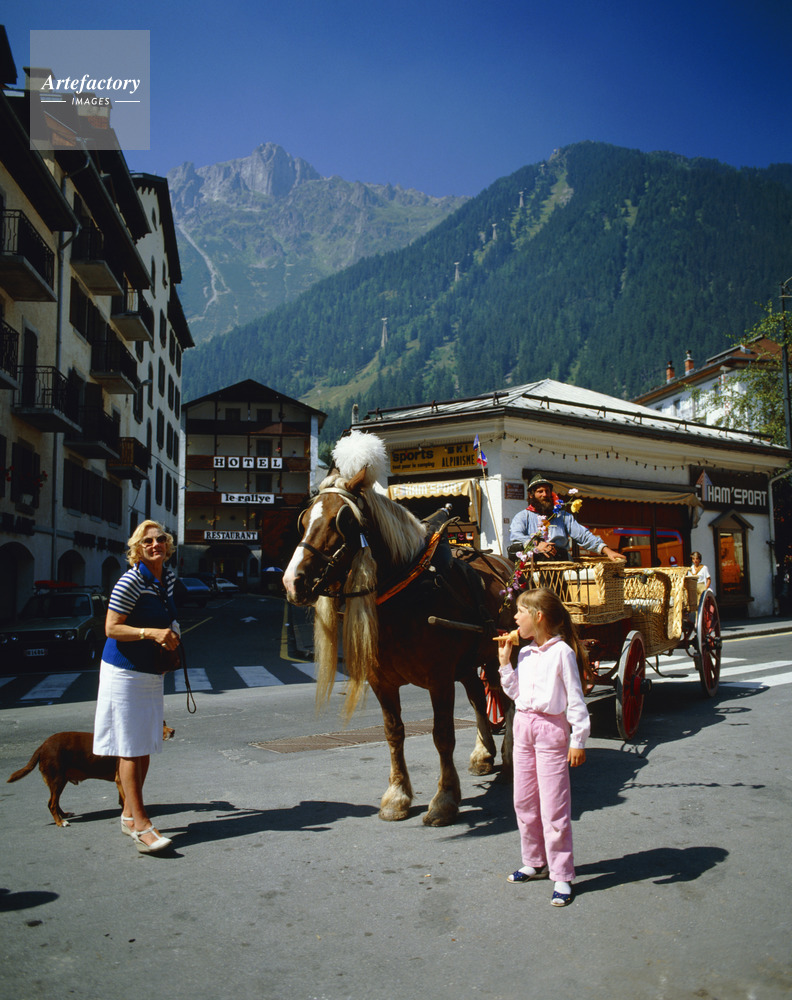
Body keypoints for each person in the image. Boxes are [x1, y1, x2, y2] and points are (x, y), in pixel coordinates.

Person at [496, 587, 590, 907]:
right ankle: (534, 861)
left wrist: (578, 739)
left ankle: (562, 874)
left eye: (520, 612)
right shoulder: (524, 653)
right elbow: (516, 693)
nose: (515, 618)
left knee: (554, 806)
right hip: (523, 728)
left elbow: (575, 698)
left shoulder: (562, 652)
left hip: (551, 730)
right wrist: (505, 664)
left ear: (538, 617)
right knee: (523, 801)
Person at [93, 520, 180, 854]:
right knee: (130, 747)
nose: (155, 545)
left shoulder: (166, 578)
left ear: (167, 545)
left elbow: (167, 616)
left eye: (160, 539)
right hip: (124, 672)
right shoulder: (130, 580)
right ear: (137, 549)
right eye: (147, 542)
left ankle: (129, 815)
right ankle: (141, 825)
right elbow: (111, 628)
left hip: (150, 672)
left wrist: (172, 632)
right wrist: (150, 633)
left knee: (144, 744)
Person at [509, 473, 625, 562]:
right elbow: (516, 536)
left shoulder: (562, 516)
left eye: (547, 491)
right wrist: (537, 544)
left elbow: (583, 535)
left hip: (560, 561)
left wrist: (607, 551)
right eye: (540, 491)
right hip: (533, 564)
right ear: (531, 495)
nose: (545, 494)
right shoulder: (522, 516)